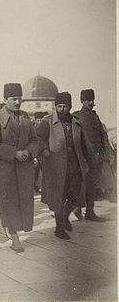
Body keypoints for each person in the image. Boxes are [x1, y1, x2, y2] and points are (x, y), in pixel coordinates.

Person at [0, 83, 44, 252]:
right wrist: (14, 153)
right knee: (8, 201)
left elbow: (35, 140)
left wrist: (28, 151)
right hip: (4, 169)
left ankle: (14, 229)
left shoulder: (26, 118)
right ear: (5, 100)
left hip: (23, 169)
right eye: (13, 99)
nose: (17, 102)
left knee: (23, 201)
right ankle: (14, 237)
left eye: (19, 99)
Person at [35, 92, 96, 240]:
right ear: (55, 106)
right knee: (59, 197)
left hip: (75, 164)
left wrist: (91, 162)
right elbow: (37, 140)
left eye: (65, 106)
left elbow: (85, 144)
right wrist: (44, 151)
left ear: (70, 107)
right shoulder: (47, 122)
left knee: (76, 195)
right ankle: (59, 228)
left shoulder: (76, 122)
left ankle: (64, 216)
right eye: (59, 106)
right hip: (55, 166)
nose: (62, 110)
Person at [73, 89, 108, 221]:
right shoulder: (76, 117)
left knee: (91, 185)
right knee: (82, 184)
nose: (91, 102)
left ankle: (89, 211)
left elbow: (100, 135)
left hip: (96, 157)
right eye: (88, 100)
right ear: (82, 101)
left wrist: (103, 151)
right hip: (83, 158)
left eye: (92, 100)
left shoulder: (95, 116)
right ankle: (78, 208)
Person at [33, 111, 49, 192]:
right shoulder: (32, 129)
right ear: (35, 120)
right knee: (35, 171)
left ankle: (42, 186)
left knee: (43, 171)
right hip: (35, 154)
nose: (39, 122)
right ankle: (35, 186)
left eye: (41, 120)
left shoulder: (44, 129)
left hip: (41, 153)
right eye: (38, 120)